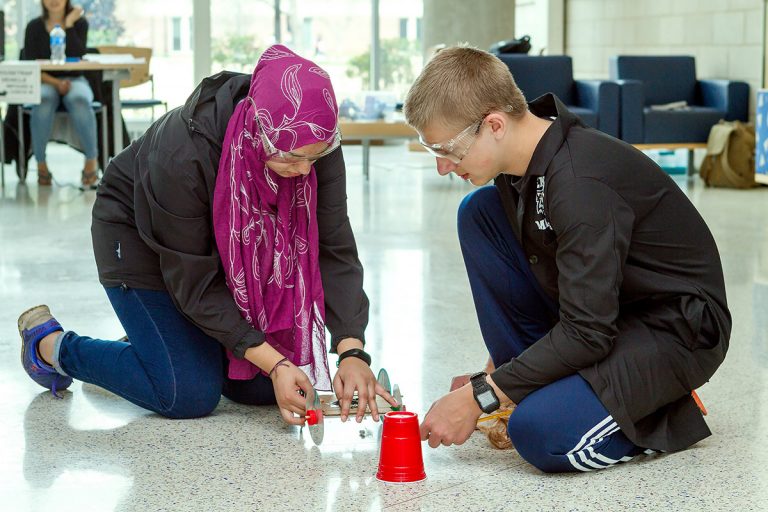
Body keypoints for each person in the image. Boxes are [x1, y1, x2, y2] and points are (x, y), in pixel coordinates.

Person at [18, 44, 395, 425]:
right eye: (291, 158)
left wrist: (351, 352)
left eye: (311, 159)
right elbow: (194, 282)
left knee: (259, 388)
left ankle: (156, 344)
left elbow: (333, 246)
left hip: (224, 256)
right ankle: (52, 346)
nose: (302, 171)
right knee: (188, 394)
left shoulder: (314, 136)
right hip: (137, 234)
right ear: (259, 129)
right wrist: (275, 362)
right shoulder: (183, 154)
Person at [403, 46, 730, 473]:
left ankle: (660, 408)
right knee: (479, 214)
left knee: (540, 434)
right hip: (602, 312)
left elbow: (588, 332)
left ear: (495, 124)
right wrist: (499, 375)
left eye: (446, 149)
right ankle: (565, 390)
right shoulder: (521, 165)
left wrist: (483, 395)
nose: (443, 167)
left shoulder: (579, 183)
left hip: (672, 329)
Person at [23, 1, 99, 187]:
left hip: (75, 80)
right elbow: (30, 65)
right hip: (45, 80)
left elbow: (78, 55)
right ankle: (41, 164)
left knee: (80, 99)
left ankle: (91, 161)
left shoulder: (80, 23)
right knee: (43, 100)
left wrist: (69, 24)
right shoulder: (33, 27)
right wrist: (56, 83)